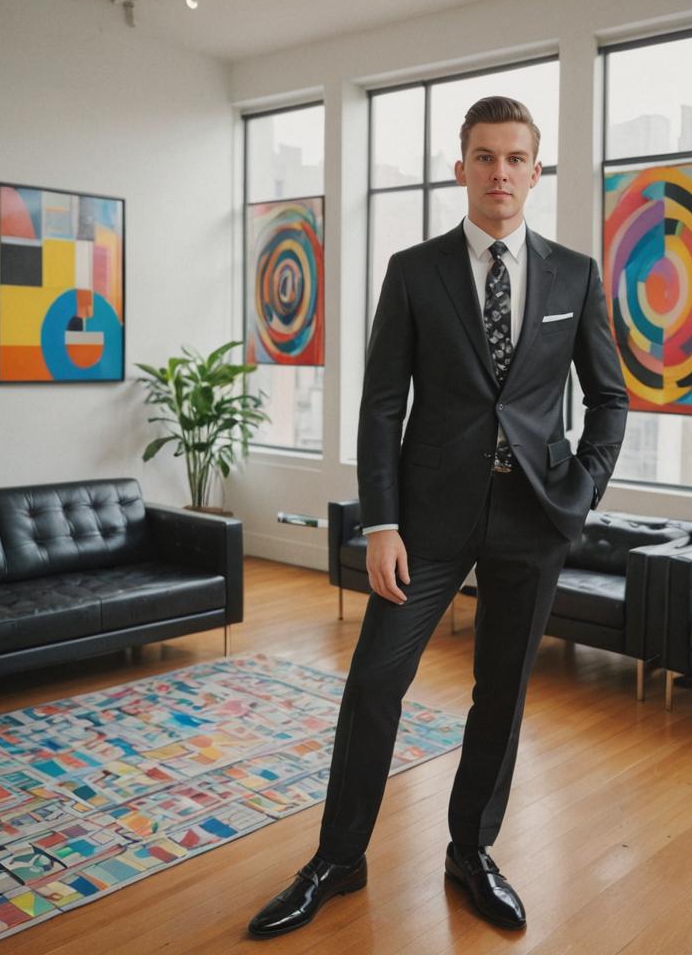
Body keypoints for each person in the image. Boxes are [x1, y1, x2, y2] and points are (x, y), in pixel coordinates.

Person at [247, 96, 628, 939]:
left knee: (501, 694)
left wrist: (584, 488)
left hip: (535, 518)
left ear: (536, 170)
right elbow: (382, 405)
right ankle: (338, 859)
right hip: (424, 524)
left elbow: (609, 395)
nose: (500, 173)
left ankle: (472, 850)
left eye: (515, 158)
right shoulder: (413, 270)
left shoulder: (574, 274)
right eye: (484, 157)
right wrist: (380, 523)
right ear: (462, 169)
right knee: (376, 680)